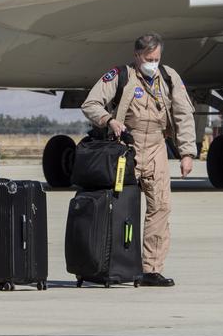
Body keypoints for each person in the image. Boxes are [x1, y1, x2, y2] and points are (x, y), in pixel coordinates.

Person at [81, 32, 197, 287]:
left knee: (161, 207)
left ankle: (151, 269)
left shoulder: (168, 77)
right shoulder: (120, 75)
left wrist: (187, 153)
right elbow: (90, 104)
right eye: (148, 58)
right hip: (126, 151)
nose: (152, 63)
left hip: (157, 148)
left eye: (156, 58)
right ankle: (110, 264)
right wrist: (109, 121)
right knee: (118, 209)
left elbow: (183, 114)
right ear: (137, 56)